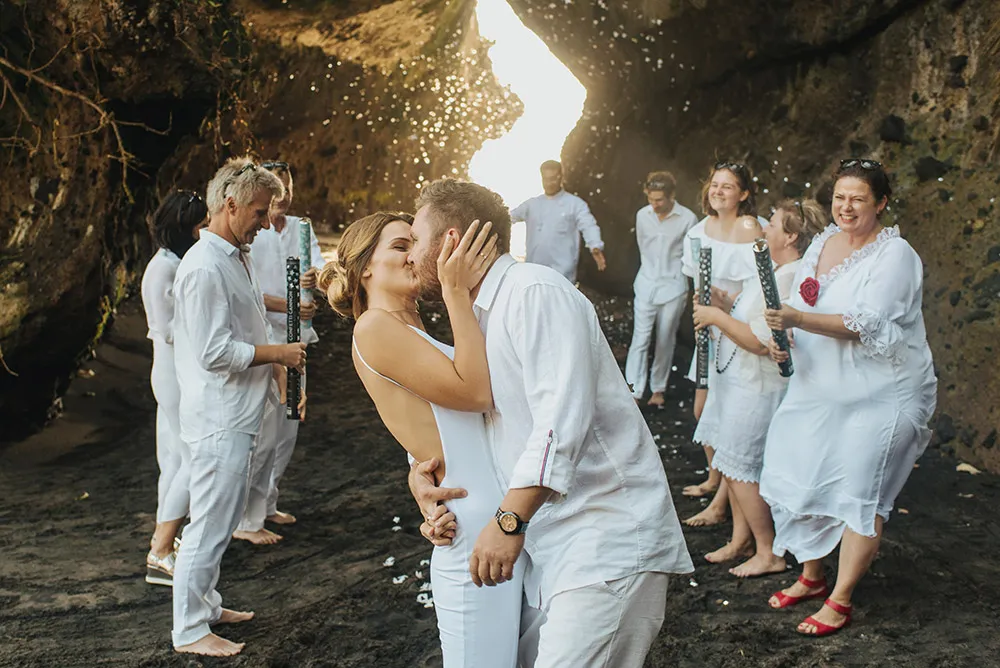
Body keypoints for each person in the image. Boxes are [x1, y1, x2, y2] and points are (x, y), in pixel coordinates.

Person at [408, 178, 693, 668]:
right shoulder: (483, 315)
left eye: (414, 240)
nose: (411, 257)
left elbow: (559, 423)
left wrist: (508, 520)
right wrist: (427, 480)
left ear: (450, 241)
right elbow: (492, 428)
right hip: (554, 547)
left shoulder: (534, 292)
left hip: (607, 539)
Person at [318, 211, 522, 667]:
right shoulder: (373, 326)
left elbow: (433, 427)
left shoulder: (409, 327)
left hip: (498, 517)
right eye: (399, 245)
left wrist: (416, 473)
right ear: (365, 266)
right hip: (470, 528)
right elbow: (475, 393)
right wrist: (454, 292)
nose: (415, 254)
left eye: (416, 242)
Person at [760, 160, 937, 636]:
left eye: (859, 198)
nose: (847, 206)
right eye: (840, 197)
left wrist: (795, 320)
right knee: (802, 471)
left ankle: (840, 598)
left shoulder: (895, 255)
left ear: (880, 203)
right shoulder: (822, 242)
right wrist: (785, 336)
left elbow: (867, 324)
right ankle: (813, 576)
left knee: (862, 490)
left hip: (882, 394)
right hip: (820, 387)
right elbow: (800, 303)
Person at [170, 158, 306, 657]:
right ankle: (189, 630)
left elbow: (247, 327)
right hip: (218, 417)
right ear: (229, 205)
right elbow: (212, 352)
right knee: (207, 524)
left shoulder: (233, 255)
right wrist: (279, 355)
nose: (266, 221)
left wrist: (275, 371)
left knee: (222, 520)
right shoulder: (205, 267)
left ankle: (205, 604)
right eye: (258, 210)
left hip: (238, 412)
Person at [691, 199, 825, 573]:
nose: (764, 229)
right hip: (735, 382)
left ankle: (769, 553)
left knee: (741, 469)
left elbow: (759, 341)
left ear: (791, 236)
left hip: (757, 388)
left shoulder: (788, 277)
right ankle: (740, 540)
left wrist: (715, 316)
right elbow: (748, 311)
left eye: (773, 225)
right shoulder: (772, 268)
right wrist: (723, 301)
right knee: (731, 464)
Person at [234, 160, 324, 545]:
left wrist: (314, 281)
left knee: (289, 426)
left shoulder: (302, 227)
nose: (282, 198)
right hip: (268, 340)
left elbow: (318, 267)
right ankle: (247, 518)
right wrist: (288, 304)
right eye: (276, 190)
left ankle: (268, 502)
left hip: (298, 336)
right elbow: (250, 293)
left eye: (287, 188)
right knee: (266, 430)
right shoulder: (255, 234)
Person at [680, 161, 762, 527]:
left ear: (743, 194)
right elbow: (693, 282)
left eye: (728, 186)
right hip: (709, 329)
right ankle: (716, 478)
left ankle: (722, 500)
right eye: (715, 184)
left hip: (739, 327)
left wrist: (728, 311)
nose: (718, 191)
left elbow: (762, 284)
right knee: (703, 410)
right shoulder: (698, 231)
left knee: (726, 417)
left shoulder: (749, 228)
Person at [140, 190, 208, 586]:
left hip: (177, 368)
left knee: (173, 458)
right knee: (188, 457)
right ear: (182, 227)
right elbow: (166, 330)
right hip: (171, 370)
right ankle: (160, 550)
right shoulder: (162, 269)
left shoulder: (179, 262)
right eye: (199, 226)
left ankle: (164, 540)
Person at [625, 171, 698, 407]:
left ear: (671, 196)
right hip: (646, 282)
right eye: (651, 199)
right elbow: (642, 247)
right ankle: (634, 390)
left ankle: (658, 390)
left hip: (673, 287)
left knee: (666, 339)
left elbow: (692, 257)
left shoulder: (688, 218)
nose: (654, 205)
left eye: (659, 200)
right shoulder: (642, 215)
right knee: (640, 338)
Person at [510, 160, 606, 283]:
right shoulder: (532, 204)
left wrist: (595, 246)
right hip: (534, 274)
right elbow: (509, 217)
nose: (549, 183)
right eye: (546, 179)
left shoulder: (575, 204)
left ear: (561, 177)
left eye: (553, 179)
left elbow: (588, 225)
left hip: (563, 276)